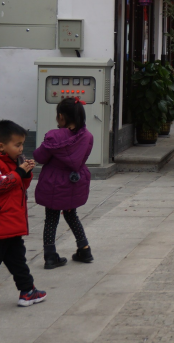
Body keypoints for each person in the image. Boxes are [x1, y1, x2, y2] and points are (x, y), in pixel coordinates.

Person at [34, 98, 94, 269]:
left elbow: (40, 157)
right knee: (71, 214)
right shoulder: (87, 136)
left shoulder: (54, 136)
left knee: (51, 218)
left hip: (54, 181)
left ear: (61, 116)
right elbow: (83, 157)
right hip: (75, 181)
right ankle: (84, 249)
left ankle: (50, 255)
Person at [0, 120, 47, 307]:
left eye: (22, 144)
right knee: (16, 259)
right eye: (17, 145)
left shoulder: (14, 163)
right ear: (1, 145)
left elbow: (19, 187)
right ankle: (28, 290)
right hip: (3, 225)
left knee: (18, 260)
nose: (21, 149)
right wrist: (19, 172)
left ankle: (28, 291)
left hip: (12, 225)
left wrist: (26, 174)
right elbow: (3, 184)